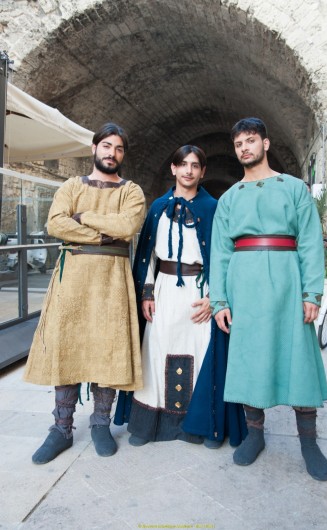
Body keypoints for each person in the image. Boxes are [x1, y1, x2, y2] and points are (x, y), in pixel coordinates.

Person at [210, 117, 327, 481]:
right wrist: (220, 301)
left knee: (299, 359)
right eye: (238, 144)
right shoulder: (229, 198)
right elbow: (220, 252)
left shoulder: (294, 189)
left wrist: (312, 291)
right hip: (243, 285)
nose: (244, 148)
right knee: (250, 359)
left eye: (250, 141)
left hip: (288, 281)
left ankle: (308, 442)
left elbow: (310, 240)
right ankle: (255, 435)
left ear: (265, 143)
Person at [24, 123, 146, 464]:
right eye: (106, 146)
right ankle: (61, 428)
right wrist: (103, 235)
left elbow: (126, 227)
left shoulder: (131, 191)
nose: (112, 153)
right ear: (94, 149)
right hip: (73, 279)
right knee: (68, 345)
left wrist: (85, 217)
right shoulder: (70, 185)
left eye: (118, 148)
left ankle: (100, 424)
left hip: (112, 280)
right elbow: (56, 224)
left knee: (107, 348)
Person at [115, 145, 247, 447]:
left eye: (195, 165)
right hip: (163, 290)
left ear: (202, 172)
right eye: (183, 164)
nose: (188, 170)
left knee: (201, 353)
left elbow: (224, 255)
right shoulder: (159, 206)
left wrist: (216, 297)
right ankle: (150, 426)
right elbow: (147, 254)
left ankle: (201, 426)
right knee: (156, 351)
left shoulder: (213, 208)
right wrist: (146, 293)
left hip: (198, 292)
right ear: (173, 169)